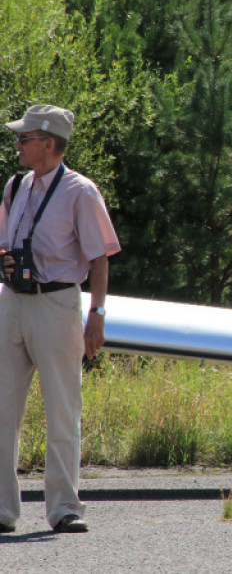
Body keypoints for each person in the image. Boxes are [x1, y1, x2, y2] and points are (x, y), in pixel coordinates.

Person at [0, 105, 120, 534]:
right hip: (12, 303)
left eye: (24, 138)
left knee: (63, 409)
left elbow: (100, 259)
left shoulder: (80, 192)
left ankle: (65, 508)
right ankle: (2, 509)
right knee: (2, 407)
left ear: (48, 144)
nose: (17, 145)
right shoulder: (15, 186)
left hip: (57, 304)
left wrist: (97, 316)